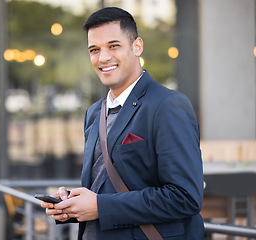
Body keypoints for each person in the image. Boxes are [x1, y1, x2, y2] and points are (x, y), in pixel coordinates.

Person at [41, 7, 204, 240]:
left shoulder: (168, 105)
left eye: (113, 46)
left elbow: (185, 197)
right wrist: (71, 207)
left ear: (137, 46)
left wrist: (100, 206)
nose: (103, 58)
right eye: (94, 50)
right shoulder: (94, 113)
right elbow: (104, 187)